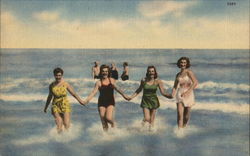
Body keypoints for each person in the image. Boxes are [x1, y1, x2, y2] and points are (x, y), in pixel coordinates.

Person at [83, 64, 129, 131]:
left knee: (108, 118)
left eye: (106, 71)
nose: (105, 73)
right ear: (101, 72)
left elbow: (118, 89)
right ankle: (106, 136)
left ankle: (114, 125)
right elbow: (93, 92)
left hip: (110, 102)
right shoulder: (98, 82)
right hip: (101, 102)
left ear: (108, 72)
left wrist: (125, 96)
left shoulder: (111, 80)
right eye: (103, 71)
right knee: (103, 121)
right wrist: (87, 100)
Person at [128, 66, 172, 131]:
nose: (151, 73)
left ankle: (151, 134)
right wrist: (131, 97)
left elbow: (163, 92)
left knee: (151, 121)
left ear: (155, 72)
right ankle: (143, 124)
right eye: (149, 71)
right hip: (145, 101)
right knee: (147, 118)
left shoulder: (158, 81)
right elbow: (139, 90)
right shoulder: (143, 80)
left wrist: (170, 96)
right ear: (147, 72)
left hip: (154, 102)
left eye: (152, 71)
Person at [44, 67, 85, 134]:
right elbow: (49, 97)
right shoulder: (51, 85)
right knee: (59, 124)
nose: (58, 77)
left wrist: (80, 101)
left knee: (66, 124)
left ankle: (68, 139)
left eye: (59, 75)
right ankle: (60, 140)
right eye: (56, 75)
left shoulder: (65, 84)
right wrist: (46, 107)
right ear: (54, 75)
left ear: (62, 75)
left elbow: (73, 93)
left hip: (65, 104)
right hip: (55, 105)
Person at [171, 57, 198, 129]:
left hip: (189, 94)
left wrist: (187, 92)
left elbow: (195, 83)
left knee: (186, 116)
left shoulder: (189, 72)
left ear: (187, 64)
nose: (183, 64)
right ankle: (179, 131)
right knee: (180, 115)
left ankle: (184, 128)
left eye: (184, 63)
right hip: (179, 94)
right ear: (179, 63)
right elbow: (175, 86)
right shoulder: (178, 74)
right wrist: (172, 94)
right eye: (181, 62)